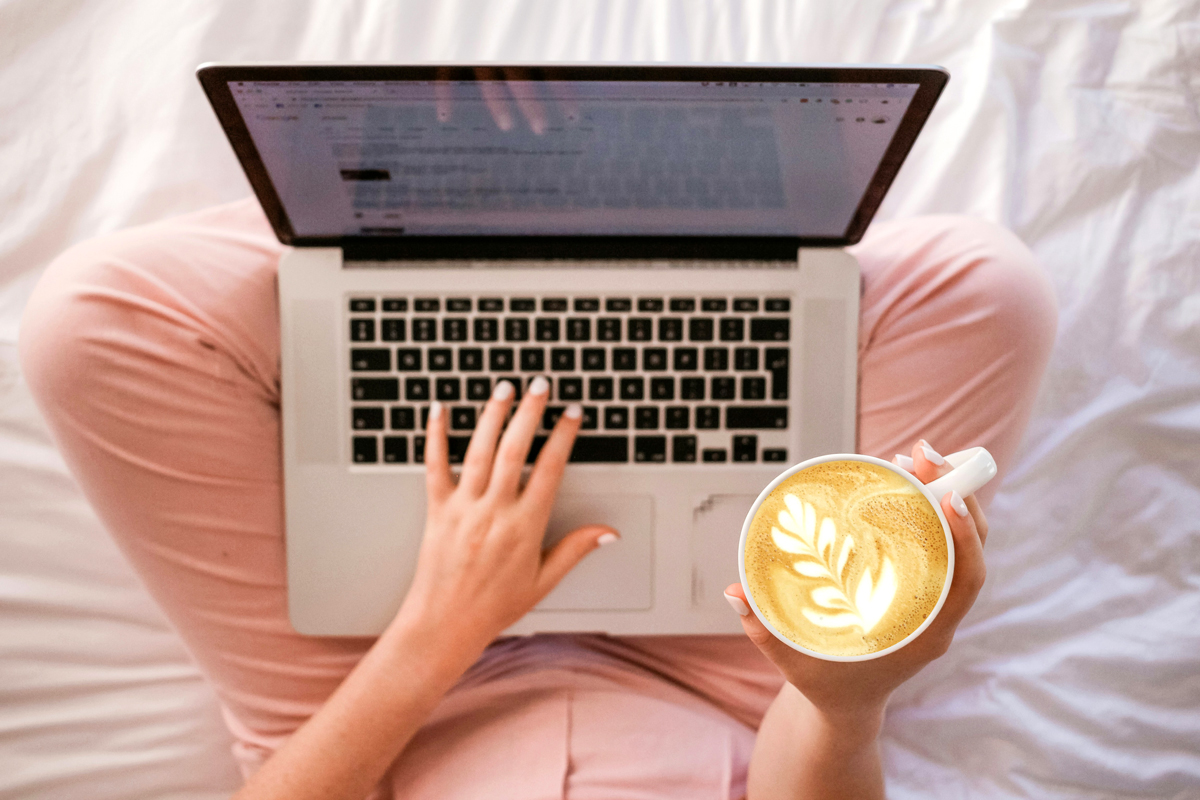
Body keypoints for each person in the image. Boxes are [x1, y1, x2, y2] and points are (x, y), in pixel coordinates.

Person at [18, 198, 1057, 799]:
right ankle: (636, 213)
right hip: (740, 690)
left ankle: (428, 209)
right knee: (986, 287)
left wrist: (441, 625)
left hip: (387, 704)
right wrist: (844, 698)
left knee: (92, 318)